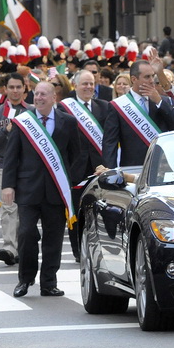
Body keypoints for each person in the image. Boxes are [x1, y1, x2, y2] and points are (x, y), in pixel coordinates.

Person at [2, 81, 84, 298]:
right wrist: (8, 185)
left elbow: (77, 156)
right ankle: (25, 279)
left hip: (56, 191)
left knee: (53, 238)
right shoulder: (23, 122)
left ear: (53, 97)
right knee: (26, 233)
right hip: (28, 189)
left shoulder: (68, 122)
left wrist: (69, 181)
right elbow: (11, 156)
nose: (38, 98)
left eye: (43, 94)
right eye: (36, 94)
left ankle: (49, 282)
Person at [59, 70, 109, 262]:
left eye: (91, 83)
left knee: (100, 212)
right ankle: (78, 251)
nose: (88, 87)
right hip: (75, 169)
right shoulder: (63, 109)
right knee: (76, 212)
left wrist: (107, 164)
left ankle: (100, 251)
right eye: (84, 84)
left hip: (100, 168)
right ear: (75, 86)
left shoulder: (104, 107)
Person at [102, 60, 174, 168]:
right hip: (133, 168)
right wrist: (110, 172)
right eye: (147, 77)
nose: (152, 81)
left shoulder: (163, 101)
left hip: (162, 166)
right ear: (134, 79)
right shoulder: (118, 105)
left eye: (152, 76)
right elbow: (110, 143)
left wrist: (159, 102)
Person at [0, 74, 32, 265]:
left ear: (24, 89)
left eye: (18, 87)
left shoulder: (31, 112)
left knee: (24, 208)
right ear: (5, 89)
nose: (14, 91)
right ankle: (9, 248)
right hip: (4, 165)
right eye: (11, 87)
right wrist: (5, 130)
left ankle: (23, 246)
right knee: (8, 207)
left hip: (27, 167)